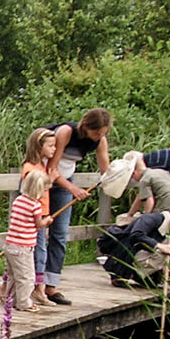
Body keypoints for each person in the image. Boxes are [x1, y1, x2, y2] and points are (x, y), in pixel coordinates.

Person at [43, 108, 112, 305]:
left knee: (60, 233)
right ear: (86, 127)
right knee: (38, 233)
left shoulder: (100, 141)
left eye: (103, 133)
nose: (98, 137)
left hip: (66, 180)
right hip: (45, 181)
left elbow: (105, 170)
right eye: (96, 132)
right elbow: (51, 168)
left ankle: (52, 285)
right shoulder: (66, 132)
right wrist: (73, 189)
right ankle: (33, 283)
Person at [0, 171, 54, 312]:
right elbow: (38, 225)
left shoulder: (18, 200)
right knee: (27, 277)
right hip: (23, 247)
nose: (46, 194)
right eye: (45, 191)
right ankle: (24, 303)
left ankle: (11, 299)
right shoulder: (35, 206)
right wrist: (47, 221)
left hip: (10, 244)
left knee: (12, 275)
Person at [99, 210, 170, 286]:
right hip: (124, 256)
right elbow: (136, 235)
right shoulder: (152, 219)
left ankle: (148, 278)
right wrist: (159, 246)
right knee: (164, 250)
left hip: (140, 258)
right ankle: (136, 275)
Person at [22, 128, 59, 304]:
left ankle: (37, 288)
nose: (53, 149)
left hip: (43, 213)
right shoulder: (30, 168)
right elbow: (33, 191)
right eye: (50, 145)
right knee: (37, 253)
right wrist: (50, 181)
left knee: (39, 251)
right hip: (34, 217)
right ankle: (38, 289)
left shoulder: (42, 166)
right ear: (39, 146)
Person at [121, 151, 170, 216]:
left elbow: (149, 201)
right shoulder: (159, 171)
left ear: (134, 173)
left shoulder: (144, 180)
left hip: (167, 205)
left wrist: (145, 217)